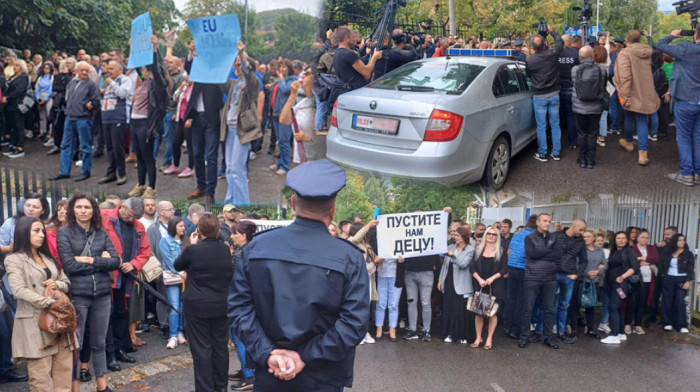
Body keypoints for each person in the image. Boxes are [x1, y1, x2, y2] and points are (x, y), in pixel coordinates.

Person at [229, 160, 369, 391]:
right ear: (333, 210)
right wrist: (303, 356)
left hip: (271, 373)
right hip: (323, 377)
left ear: (293, 203)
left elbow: (239, 308)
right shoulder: (350, 258)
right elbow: (354, 324)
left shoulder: (256, 248)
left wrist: (269, 353)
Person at [5, 216, 77, 391]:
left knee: (63, 376)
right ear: (23, 233)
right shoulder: (14, 259)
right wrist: (48, 302)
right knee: (41, 380)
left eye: (43, 231)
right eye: (36, 231)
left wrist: (57, 284)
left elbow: (66, 281)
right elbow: (18, 290)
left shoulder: (47, 257)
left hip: (59, 321)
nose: (42, 235)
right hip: (34, 324)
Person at [58, 194, 121, 391]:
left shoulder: (101, 233)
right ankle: (74, 386)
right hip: (78, 294)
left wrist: (91, 260)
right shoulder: (64, 233)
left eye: (87, 207)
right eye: (79, 207)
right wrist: (101, 261)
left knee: (99, 343)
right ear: (73, 210)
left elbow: (115, 261)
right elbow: (69, 265)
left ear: (93, 210)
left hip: (102, 294)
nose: (83, 210)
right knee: (75, 344)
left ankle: (102, 385)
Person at [174, 213, 232, 392]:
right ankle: (220, 386)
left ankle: (205, 388)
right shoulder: (224, 249)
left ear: (198, 230)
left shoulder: (193, 250)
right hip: (221, 305)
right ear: (218, 230)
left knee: (201, 350)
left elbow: (177, 265)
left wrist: (190, 245)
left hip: (197, 306)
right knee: (220, 347)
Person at [101, 197, 151, 366]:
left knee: (121, 313)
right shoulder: (103, 217)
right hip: (106, 275)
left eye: (134, 217)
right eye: (129, 216)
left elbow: (145, 251)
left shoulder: (138, 226)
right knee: (106, 315)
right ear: (122, 206)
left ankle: (119, 349)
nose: (131, 220)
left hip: (125, 276)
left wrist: (134, 264)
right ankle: (108, 354)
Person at [656, 27, 700, 186]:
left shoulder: (687, 49)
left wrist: (672, 35)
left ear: (696, 34)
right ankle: (697, 173)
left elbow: (659, 45)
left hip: (685, 100)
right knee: (697, 138)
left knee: (683, 137)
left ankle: (687, 174)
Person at [128, 36, 169, 199]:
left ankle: (151, 187)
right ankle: (140, 184)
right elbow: (137, 66)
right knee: (139, 155)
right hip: (135, 122)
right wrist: (133, 49)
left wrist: (154, 49)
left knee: (147, 156)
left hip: (146, 123)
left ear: (150, 71)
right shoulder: (144, 82)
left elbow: (155, 68)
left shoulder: (157, 84)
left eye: (144, 70)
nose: (141, 72)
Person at [221, 42, 262, 204]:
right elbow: (218, 79)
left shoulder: (253, 84)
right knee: (230, 169)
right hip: (229, 130)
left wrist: (242, 54)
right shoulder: (234, 83)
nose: (236, 66)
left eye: (239, 63)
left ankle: (242, 204)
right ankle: (230, 201)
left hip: (242, 131)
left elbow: (250, 75)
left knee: (238, 170)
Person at [613, 30, 660, 166]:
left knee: (629, 117)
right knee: (642, 120)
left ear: (627, 40)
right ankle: (643, 153)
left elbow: (625, 76)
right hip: (646, 91)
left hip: (631, 91)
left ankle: (629, 142)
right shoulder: (648, 51)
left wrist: (625, 95)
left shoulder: (625, 53)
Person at [49, 61, 101, 182]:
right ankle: (64, 171)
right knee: (66, 145)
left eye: (87, 71)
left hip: (83, 118)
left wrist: (91, 104)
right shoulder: (72, 82)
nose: (84, 72)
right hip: (70, 118)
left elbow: (97, 101)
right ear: (77, 71)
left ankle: (86, 171)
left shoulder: (91, 85)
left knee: (85, 146)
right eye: (82, 70)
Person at [518, 213, 560, 349]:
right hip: (532, 277)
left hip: (550, 278)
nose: (547, 223)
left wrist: (543, 252)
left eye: (549, 221)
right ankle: (524, 337)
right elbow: (532, 254)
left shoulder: (554, 237)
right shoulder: (529, 238)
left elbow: (557, 255)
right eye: (544, 221)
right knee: (527, 309)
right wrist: (548, 252)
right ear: (537, 222)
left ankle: (548, 337)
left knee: (549, 310)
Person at [526, 26, 564, 162]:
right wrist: (552, 30)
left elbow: (529, 75)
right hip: (554, 94)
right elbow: (560, 42)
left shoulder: (530, 60)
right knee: (555, 124)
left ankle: (543, 153)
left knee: (541, 126)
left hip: (539, 96)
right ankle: (557, 153)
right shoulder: (552, 54)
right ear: (545, 44)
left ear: (533, 47)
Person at [228, 220, 257, 391]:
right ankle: (247, 370)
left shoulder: (240, 256)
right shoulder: (254, 250)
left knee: (239, 338)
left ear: (244, 235)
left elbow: (235, 282)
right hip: (251, 303)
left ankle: (249, 375)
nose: (232, 236)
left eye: (235, 233)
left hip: (241, 304)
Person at [470, 225, 507, 350]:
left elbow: (504, 268)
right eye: (489, 234)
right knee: (479, 314)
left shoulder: (501, 251)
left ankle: (489, 338)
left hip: (495, 286)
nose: (491, 236)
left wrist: (492, 278)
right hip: (480, 285)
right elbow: (472, 268)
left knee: (492, 314)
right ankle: (478, 337)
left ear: (497, 236)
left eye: (494, 234)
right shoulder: (478, 250)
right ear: (486, 235)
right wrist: (480, 279)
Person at [97, 60, 133, 186]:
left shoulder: (125, 80)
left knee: (118, 147)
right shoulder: (108, 82)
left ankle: (122, 173)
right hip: (107, 117)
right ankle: (111, 172)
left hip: (119, 118)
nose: (109, 71)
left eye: (112, 68)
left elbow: (123, 94)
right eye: (109, 68)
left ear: (120, 69)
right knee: (110, 147)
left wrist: (111, 83)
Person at [437, 226, 475, 344]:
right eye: (454, 235)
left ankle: (462, 335)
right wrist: (440, 280)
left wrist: (453, 255)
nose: (455, 237)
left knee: (461, 311)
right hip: (449, 281)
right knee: (449, 309)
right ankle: (450, 334)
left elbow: (463, 264)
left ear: (464, 237)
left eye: (458, 235)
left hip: (463, 284)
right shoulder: (450, 247)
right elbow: (445, 266)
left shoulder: (470, 249)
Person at [600, 232, 639, 344]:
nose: (621, 240)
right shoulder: (615, 251)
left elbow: (634, 267)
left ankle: (614, 334)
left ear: (627, 240)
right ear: (615, 239)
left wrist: (622, 277)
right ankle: (621, 332)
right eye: (618, 238)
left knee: (612, 307)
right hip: (612, 284)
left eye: (623, 238)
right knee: (618, 307)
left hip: (621, 285)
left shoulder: (629, 251)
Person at [572, 46, 607, 169]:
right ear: (593, 56)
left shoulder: (575, 70)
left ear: (580, 57)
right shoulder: (601, 70)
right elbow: (603, 86)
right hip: (595, 107)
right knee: (592, 134)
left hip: (579, 107)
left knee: (581, 134)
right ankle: (590, 160)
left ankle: (582, 160)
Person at [552, 219, 587, 344]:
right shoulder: (556, 235)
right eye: (581, 229)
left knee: (564, 305)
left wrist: (577, 274)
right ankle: (548, 331)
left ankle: (560, 332)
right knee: (551, 304)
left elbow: (584, 260)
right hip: (554, 274)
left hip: (568, 276)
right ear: (573, 226)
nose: (582, 233)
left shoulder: (580, 241)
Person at [280, 69, 324, 161]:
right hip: (303, 159)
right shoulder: (303, 103)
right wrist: (292, 95)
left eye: (307, 74)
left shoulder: (322, 104)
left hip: (319, 160)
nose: (302, 76)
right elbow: (284, 120)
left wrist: (311, 138)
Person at [504, 214, 536, 339]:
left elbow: (508, 251)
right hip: (524, 269)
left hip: (512, 267)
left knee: (511, 299)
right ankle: (516, 329)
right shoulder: (534, 236)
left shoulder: (517, 234)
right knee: (521, 301)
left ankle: (507, 326)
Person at [159, 217, 187, 349]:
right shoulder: (165, 241)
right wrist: (181, 272)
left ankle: (180, 332)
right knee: (174, 306)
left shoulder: (185, 241)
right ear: (173, 227)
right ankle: (173, 335)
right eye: (180, 226)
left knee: (182, 306)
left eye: (183, 226)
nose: (183, 228)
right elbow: (169, 261)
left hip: (185, 277)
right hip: (174, 277)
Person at [658, 233, 695, 333]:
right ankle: (667, 323)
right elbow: (661, 265)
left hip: (681, 279)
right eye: (679, 240)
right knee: (667, 300)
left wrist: (688, 281)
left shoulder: (688, 254)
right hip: (668, 279)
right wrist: (663, 276)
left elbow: (691, 269)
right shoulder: (667, 252)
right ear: (675, 241)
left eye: (683, 240)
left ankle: (682, 325)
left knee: (680, 301)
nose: (682, 242)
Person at [332, 26, 383, 94]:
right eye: (353, 37)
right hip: (360, 91)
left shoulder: (337, 53)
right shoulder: (349, 54)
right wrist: (374, 57)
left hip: (349, 91)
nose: (355, 40)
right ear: (347, 38)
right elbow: (367, 73)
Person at [268, 59, 297, 176]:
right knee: (280, 140)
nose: (281, 69)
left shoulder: (293, 80)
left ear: (289, 69)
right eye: (280, 66)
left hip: (284, 114)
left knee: (284, 140)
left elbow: (285, 90)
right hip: (275, 113)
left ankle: (285, 165)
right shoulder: (280, 80)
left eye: (284, 67)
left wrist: (280, 80)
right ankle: (280, 162)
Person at [627, 229, 658, 335]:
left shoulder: (651, 248)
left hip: (647, 280)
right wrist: (644, 261)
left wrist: (643, 258)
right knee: (631, 302)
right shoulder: (632, 248)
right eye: (642, 237)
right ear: (637, 238)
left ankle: (638, 324)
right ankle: (627, 323)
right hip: (634, 279)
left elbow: (656, 259)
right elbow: (632, 261)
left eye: (646, 237)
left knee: (641, 303)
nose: (644, 239)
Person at [580, 229, 606, 339]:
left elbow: (605, 264)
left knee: (591, 306)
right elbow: (577, 264)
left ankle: (590, 329)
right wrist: (586, 273)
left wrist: (597, 271)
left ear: (593, 238)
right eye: (584, 237)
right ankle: (572, 329)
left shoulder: (600, 251)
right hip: (581, 281)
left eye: (588, 236)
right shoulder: (580, 250)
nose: (586, 239)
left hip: (594, 281)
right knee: (576, 305)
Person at [1, 59, 29, 158]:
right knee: (12, 126)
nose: (14, 67)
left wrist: (7, 97)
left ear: (21, 67)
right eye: (14, 65)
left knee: (19, 126)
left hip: (17, 104)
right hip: (9, 105)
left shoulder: (24, 78)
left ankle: (20, 148)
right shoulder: (13, 77)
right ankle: (13, 146)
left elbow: (19, 91)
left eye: (17, 65)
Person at [558, 34, 580, 148]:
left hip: (557, 88)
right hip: (571, 87)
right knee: (571, 116)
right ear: (570, 42)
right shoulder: (576, 54)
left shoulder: (556, 53)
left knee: (557, 116)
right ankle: (572, 142)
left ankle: (558, 142)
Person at [35, 62, 54, 140]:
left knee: (49, 115)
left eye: (47, 68)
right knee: (41, 115)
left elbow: (51, 89)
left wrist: (45, 99)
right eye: (44, 68)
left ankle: (50, 132)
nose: (45, 70)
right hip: (40, 95)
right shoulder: (40, 78)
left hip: (48, 97)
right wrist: (38, 98)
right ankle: (42, 131)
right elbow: (37, 88)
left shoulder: (52, 77)